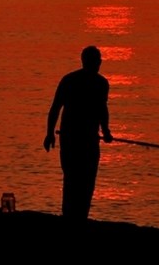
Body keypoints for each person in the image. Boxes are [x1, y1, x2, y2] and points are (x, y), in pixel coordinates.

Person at [44, 45, 113, 221]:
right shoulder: (93, 82)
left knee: (79, 180)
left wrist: (105, 131)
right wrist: (49, 133)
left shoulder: (82, 81)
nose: (96, 65)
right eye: (95, 61)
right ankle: (74, 217)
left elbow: (101, 110)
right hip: (76, 140)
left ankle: (76, 217)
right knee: (79, 180)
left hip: (82, 140)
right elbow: (56, 108)